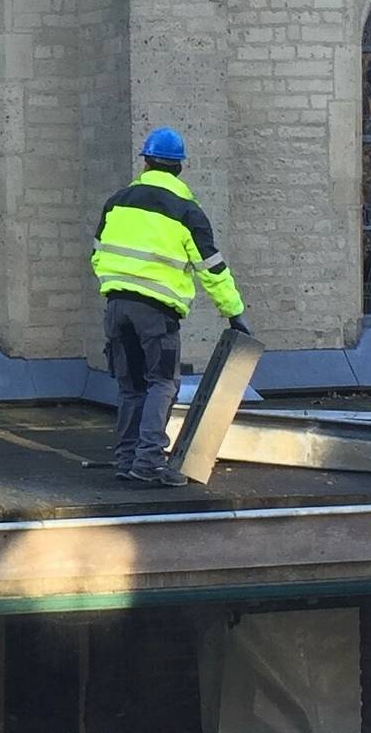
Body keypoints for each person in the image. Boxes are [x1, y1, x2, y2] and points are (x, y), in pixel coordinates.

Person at [91, 127, 252, 486]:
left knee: (130, 385)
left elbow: (97, 254)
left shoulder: (117, 201)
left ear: (146, 162)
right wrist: (234, 312)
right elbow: (212, 269)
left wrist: (118, 286)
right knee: (162, 383)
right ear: (179, 168)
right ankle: (148, 463)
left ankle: (126, 459)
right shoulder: (186, 212)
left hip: (116, 307)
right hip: (156, 314)